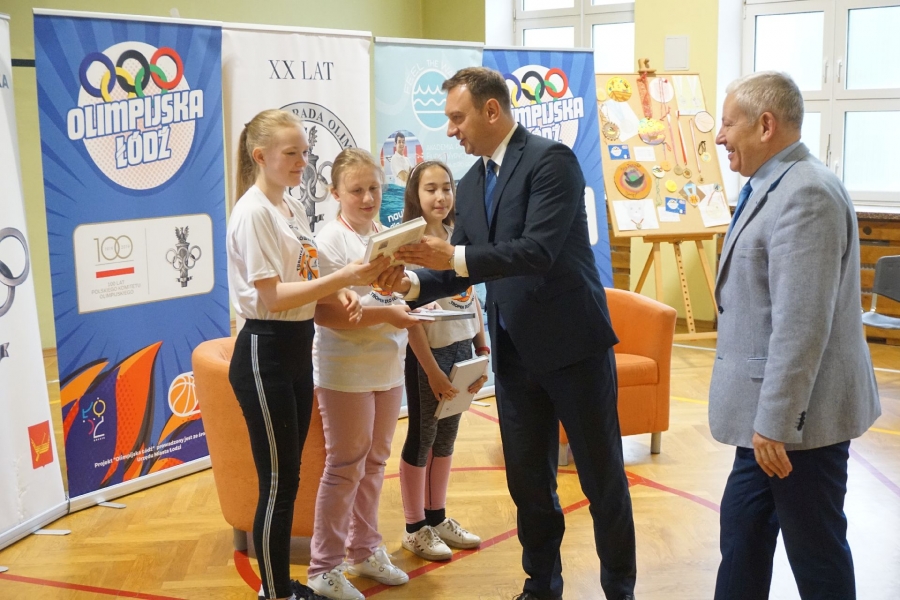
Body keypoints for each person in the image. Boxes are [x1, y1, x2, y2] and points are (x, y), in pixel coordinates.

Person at [379, 67, 637, 600]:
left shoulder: (551, 161)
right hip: (515, 358)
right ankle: (540, 587)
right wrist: (409, 283)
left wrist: (452, 256)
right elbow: (461, 270)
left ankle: (620, 590)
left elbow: (536, 252)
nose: (450, 130)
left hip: (573, 350)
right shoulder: (473, 182)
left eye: (457, 117)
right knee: (528, 484)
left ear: (491, 110)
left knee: (602, 481)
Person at [711, 71, 881, 600]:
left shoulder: (806, 193)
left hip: (796, 425)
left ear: (766, 125)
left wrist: (775, 424)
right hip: (766, 420)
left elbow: (801, 325)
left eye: (728, 124)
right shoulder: (772, 184)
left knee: (816, 554)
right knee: (742, 538)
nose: (719, 136)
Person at [226, 109, 391, 600]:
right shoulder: (254, 212)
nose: (303, 161)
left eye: (304, 151)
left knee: (290, 478)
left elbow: (306, 273)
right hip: (266, 350)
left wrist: (338, 291)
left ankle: (280, 586)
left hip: (296, 346)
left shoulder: (291, 206)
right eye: (292, 153)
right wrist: (344, 278)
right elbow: (273, 297)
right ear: (261, 157)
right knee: (278, 482)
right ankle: (275, 592)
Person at [306, 148, 421, 600]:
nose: (369, 198)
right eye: (357, 190)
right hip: (345, 369)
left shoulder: (382, 234)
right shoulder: (329, 241)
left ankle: (364, 549)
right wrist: (389, 315)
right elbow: (327, 314)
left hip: (387, 363)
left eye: (374, 188)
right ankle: (324, 566)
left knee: (375, 462)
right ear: (335, 193)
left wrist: (400, 304)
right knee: (345, 465)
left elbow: (391, 294)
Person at [398, 160, 489, 561]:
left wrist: (482, 349)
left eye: (447, 188)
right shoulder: (409, 245)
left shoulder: (457, 238)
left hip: (463, 351)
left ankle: (437, 518)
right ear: (415, 195)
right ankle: (414, 527)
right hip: (429, 356)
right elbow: (410, 316)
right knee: (423, 437)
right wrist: (432, 371)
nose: (441, 196)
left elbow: (472, 299)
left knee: (447, 438)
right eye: (431, 189)